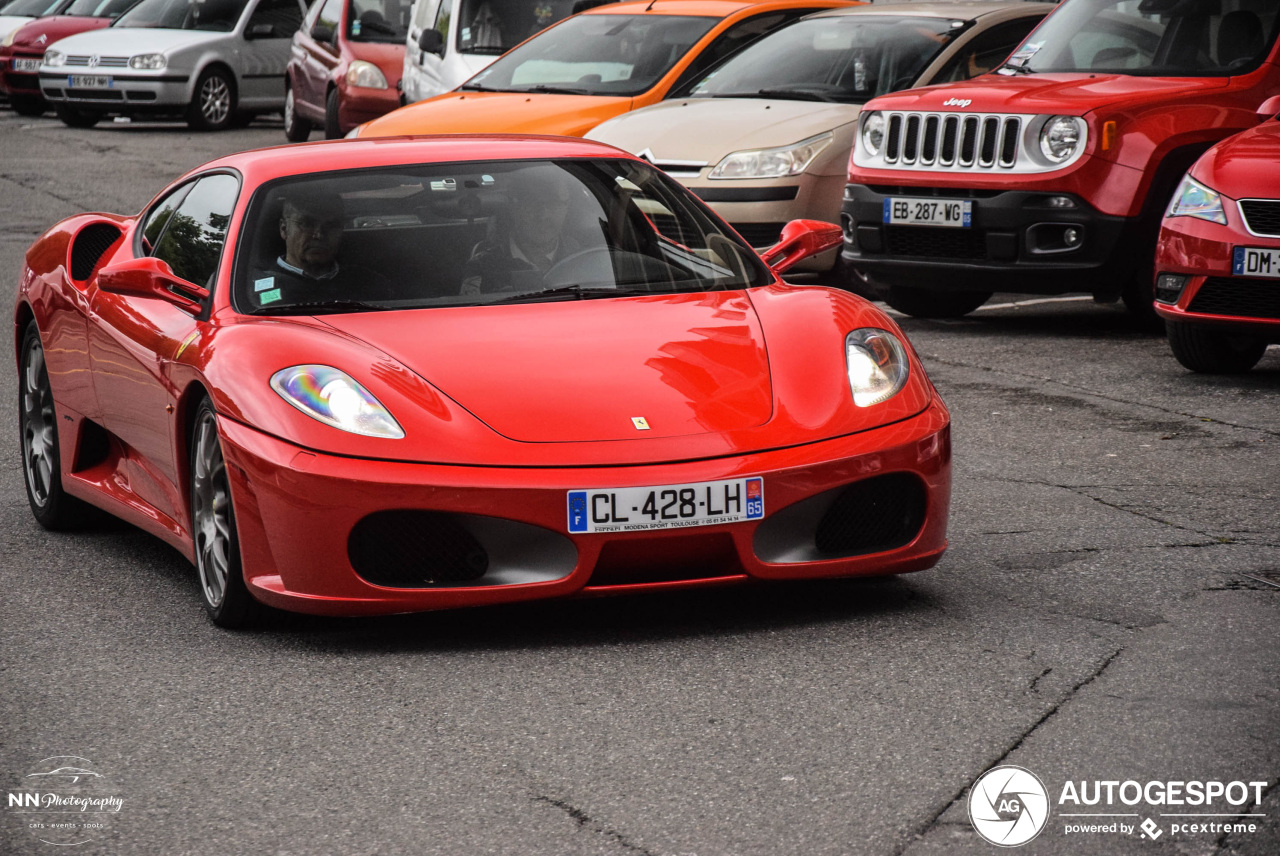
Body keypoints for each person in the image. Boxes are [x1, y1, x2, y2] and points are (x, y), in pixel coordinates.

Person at [249, 187, 391, 309]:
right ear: (284, 229)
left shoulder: (368, 283)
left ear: (341, 231)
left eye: (331, 225)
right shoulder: (250, 290)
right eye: (306, 223)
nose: (319, 234)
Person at [460, 168, 587, 295]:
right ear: (513, 207)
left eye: (554, 203)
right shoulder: (483, 267)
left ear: (567, 207)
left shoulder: (586, 260)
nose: (543, 215)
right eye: (531, 203)